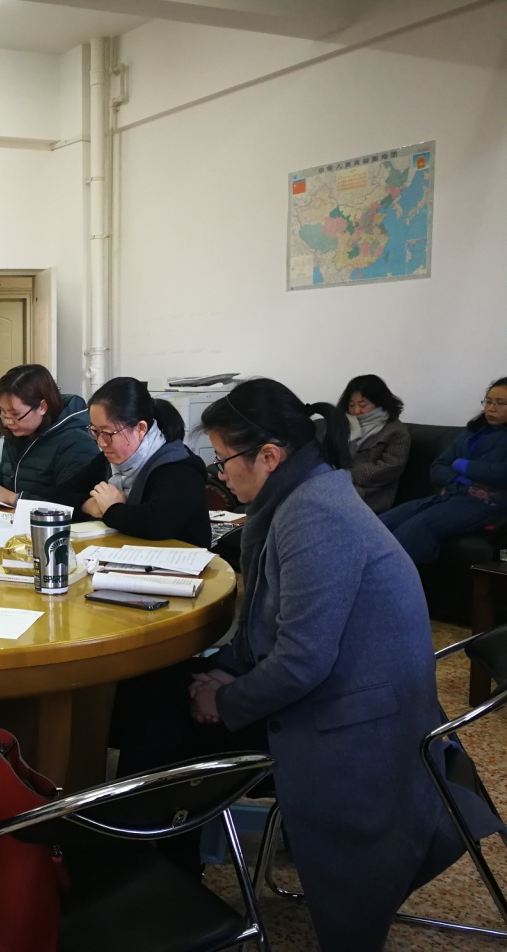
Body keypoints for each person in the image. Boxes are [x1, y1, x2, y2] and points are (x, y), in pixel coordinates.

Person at [111, 377, 501, 952]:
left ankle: (165, 898)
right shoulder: (305, 494)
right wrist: (229, 671)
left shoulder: (315, 516)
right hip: (341, 693)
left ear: (269, 457)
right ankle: (163, 878)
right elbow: (277, 635)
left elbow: (302, 662)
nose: (220, 476)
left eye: (223, 461)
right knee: (156, 695)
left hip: (356, 729)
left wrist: (226, 698)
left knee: (162, 724)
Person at [44, 377, 210, 546]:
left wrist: (112, 509)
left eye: (107, 433)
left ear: (140, 428)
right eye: (95, 431)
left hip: (178, 559)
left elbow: (157, 524)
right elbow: (56, 496)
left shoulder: (178, 466)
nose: (101, 443)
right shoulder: (110, 459)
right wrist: (89, 505)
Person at [379, 377, 507, 564]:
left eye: (500, 403)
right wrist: (463, 480)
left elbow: (501, 474)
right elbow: (437, 468)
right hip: (450, 495)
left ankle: (396, 577)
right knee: (381, 522)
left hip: (488, 504)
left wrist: (461, 464)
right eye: (488, 402)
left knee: (418, 526)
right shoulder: (472, 433)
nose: (491, 408)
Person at [0, 363, 98, 504]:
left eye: (15, 414)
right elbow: (3, 487)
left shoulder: (75, 442)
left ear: (42, 406)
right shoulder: (15, 435)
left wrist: (15, 499)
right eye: (3, 412)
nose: (8, 422)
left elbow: (74, 505)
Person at [336, 374, 410, 513]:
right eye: (351, 405)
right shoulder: (342, 425)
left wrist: (345, 473)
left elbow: (389, 468)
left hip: (371, 493)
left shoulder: (396, 431)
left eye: (362, 405)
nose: (356, 411)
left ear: (379, 402)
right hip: (337, 482)